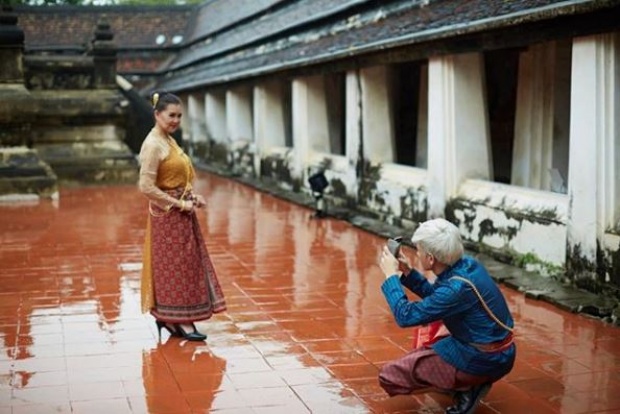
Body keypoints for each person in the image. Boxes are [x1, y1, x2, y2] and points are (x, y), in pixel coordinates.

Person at [378, 218, 515, 414]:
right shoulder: (468, 265)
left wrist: (391, 277)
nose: (416, 253)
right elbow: (438, 297)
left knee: (389, 375)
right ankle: (467, 381)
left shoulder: (456, 288)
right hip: (496, 349)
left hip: (485, 357)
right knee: (429, 342)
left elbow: (405, 316)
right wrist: (407, 271)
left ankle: (468, 386)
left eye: (419, 250)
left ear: (431, 258)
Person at [138, 91, 226, 341]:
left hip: (181, 214)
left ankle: (175, 319)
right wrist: (178, 203)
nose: (176, 120)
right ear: (157, 114)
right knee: (175, 269)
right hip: (167, 218)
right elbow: (146, 187)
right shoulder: (154, 144)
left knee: (186, 267)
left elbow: (174, 177)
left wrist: (191, 196)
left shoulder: (168, 140)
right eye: (171, 115)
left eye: (179, 116)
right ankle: (177, 319)